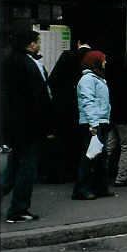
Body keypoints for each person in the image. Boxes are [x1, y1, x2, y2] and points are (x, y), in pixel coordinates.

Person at [0, 30, 54, 222]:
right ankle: (18, 209)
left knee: (14, 165)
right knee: (27, 167)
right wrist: (47, 126)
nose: (39, 45)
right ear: (30, 44)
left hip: (15, 125)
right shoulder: (28, 64)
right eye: (37, 41)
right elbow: (38, 98)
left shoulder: (10, 60)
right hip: (30, 126)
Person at [46, 38, 91, 182]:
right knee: (78, 140)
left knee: (61, 139)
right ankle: (75, 171)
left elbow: (52, 80)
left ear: (78, 43)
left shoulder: (67, 56)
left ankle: (58, 173)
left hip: (63, 105)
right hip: (83, 106)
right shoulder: (93, 58)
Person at [72, 50, 113, 200]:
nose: (105, 62)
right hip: (93, 123)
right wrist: (94, 124)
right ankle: (81, 190)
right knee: (89, 157)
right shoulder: (88, 79)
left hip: (100, 121)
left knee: (101, 157)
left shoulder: (98, 78)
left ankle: (100, 187)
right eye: (103, 60)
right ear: (96, 61)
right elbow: (87, 101)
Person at [106, 54, 127, 187]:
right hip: (125, 117)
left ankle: (99, 172)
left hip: (112, 116)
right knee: (126, 146)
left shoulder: (110, 79)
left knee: (109, 146)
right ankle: (122, 176)